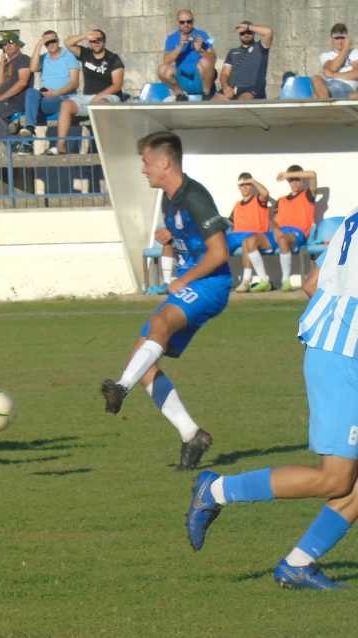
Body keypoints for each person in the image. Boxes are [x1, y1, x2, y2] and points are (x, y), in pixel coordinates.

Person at [185, 208, 358, 590]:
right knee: (336, 478)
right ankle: (215, 490)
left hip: (336, 349)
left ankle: (299, 564)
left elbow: (312, 284)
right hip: (343, 358)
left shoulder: (353, 220)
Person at [100, 131, 229, 471]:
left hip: (211, 284)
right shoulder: (170, 199)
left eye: (145, 161)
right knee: (144, 363)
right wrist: (170, 247)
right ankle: (192, 435)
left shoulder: (195, 196)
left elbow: (219, 253)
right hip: (192, 283)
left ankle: (120, 388)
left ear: (164, 162)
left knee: (158, 326)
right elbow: (183, 242)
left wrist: (183, 279)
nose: (143, 170)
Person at [50, 29, 123, 155]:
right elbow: (68, 43)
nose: (96, 43)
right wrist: (85, 35)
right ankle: (60, 146)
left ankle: (105, 147)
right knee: (66, 105)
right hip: (88, 98)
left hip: (109, 97)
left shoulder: (113, 59)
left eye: (98, 40)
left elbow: (117, 85)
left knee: (100, 104)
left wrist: (99, 97)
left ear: (104, 41)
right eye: (93, 41)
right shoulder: (85, 53)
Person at [19, 30, 80, 147]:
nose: (50, 44)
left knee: (33, 105)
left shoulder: (69, 56)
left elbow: (74, 83)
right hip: (46, 97)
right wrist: (38, 45)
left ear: (57, 41)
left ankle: (26, 142)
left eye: (53, 41)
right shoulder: (44, 57)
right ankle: (30, 128)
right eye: (47, 42)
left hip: (63, 97)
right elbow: (32, 68)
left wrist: (55, 93)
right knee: (31, 92)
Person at [225, 172, 272, 293]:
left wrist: (253, 181)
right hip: (236, 235)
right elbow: (229, 222)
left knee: (247, 242)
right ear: (238, 187)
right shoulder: (237, 205)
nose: (245, 187)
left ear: (252, 186)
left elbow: (265, 194)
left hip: (255, 234)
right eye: (242, 185)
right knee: (218, 246)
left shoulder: (258, 199)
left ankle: (246, 281)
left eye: (248, 184)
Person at [158, 9, 216, 100]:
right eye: (182, 22)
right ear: (178, 23)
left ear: (193, 21)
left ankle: (206, 94)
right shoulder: (171, 38)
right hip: (182, 77)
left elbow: (213, 58)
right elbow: (166, 61)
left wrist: (200, 50)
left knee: (205, 61)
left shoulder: (203, 34)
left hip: (200, 77)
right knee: (162, 69)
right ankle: (180, 95)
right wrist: (180, 47)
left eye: (189, 21)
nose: (186, 24)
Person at [215, 20, 273, 101]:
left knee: (243, 102)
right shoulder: (233, 52)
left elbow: (268, 32)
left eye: (249, 32)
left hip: (252, 90)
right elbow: (224, 74)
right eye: (242, 33)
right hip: (232, 89)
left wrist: (247, 26)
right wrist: (225, 88)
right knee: (212, 103)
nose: (246, 34)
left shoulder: (261, 47)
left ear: (253, 32)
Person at [311, 23, 358, 100]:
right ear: (331, 40)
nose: (340, 41)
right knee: (315, 78)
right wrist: (345, 49)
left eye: (342, 38)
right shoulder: (325, 55)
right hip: (327, 86)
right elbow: (331, 68)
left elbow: (356, 73)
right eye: (337, 38)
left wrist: (333, 75)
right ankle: (324, 101)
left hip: (346, 87)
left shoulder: (354, 52)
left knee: (315, 96)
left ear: (347, 39)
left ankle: (322, 101)